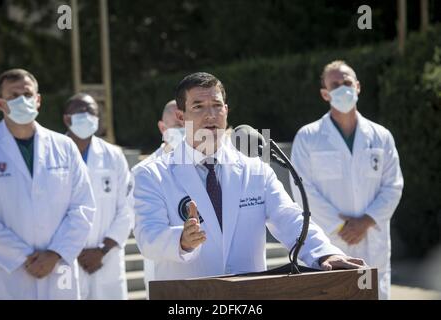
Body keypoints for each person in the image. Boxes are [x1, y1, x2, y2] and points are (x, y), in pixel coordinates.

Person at [132, 72, 365, 286]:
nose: (210, 115)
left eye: (216, 105)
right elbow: (148, 238)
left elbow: (290, 218)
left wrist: (325, 253)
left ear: (226, 110)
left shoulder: (255, 170)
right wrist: (181, 240)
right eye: (198, 106)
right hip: (188, 299)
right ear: (181, 117)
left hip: (249, 299)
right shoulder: (153, 174)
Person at [290, 60, 404, 299]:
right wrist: (340, 226)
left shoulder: (381, 136)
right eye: (335, 84)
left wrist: (365, 221)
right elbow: (302, 190)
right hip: (329, 242)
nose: (343, 88)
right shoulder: (308, 137)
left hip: (373, 238)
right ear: (325, 94)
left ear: (358, 86)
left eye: (347, 82)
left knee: (374, 293)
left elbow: (393, 185)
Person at [0, 69, 95, 299]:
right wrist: (21, 256)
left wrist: (56, 253)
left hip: (59, 269)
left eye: (27, 95)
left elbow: (83, 206)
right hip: (7, 271)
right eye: (13, 96)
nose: (22, 101)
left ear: (38, 100)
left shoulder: (64, 147)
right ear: (0, 103)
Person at [63, 93, 133, 300]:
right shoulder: (53, 155)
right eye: (80, 111)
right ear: (67, 119)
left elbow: (127, 208)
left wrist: (102, 250)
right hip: (65, 258)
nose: (87, 116)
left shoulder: (114, 155)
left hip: (107, 258)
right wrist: (67, 250)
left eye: (92, 112)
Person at [139, 99, 184, 298]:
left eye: (184, 124)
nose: (182, 129)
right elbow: (148, 232)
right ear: (162, 127)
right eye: (176, 126)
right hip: (163, 266)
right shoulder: (144, 171)